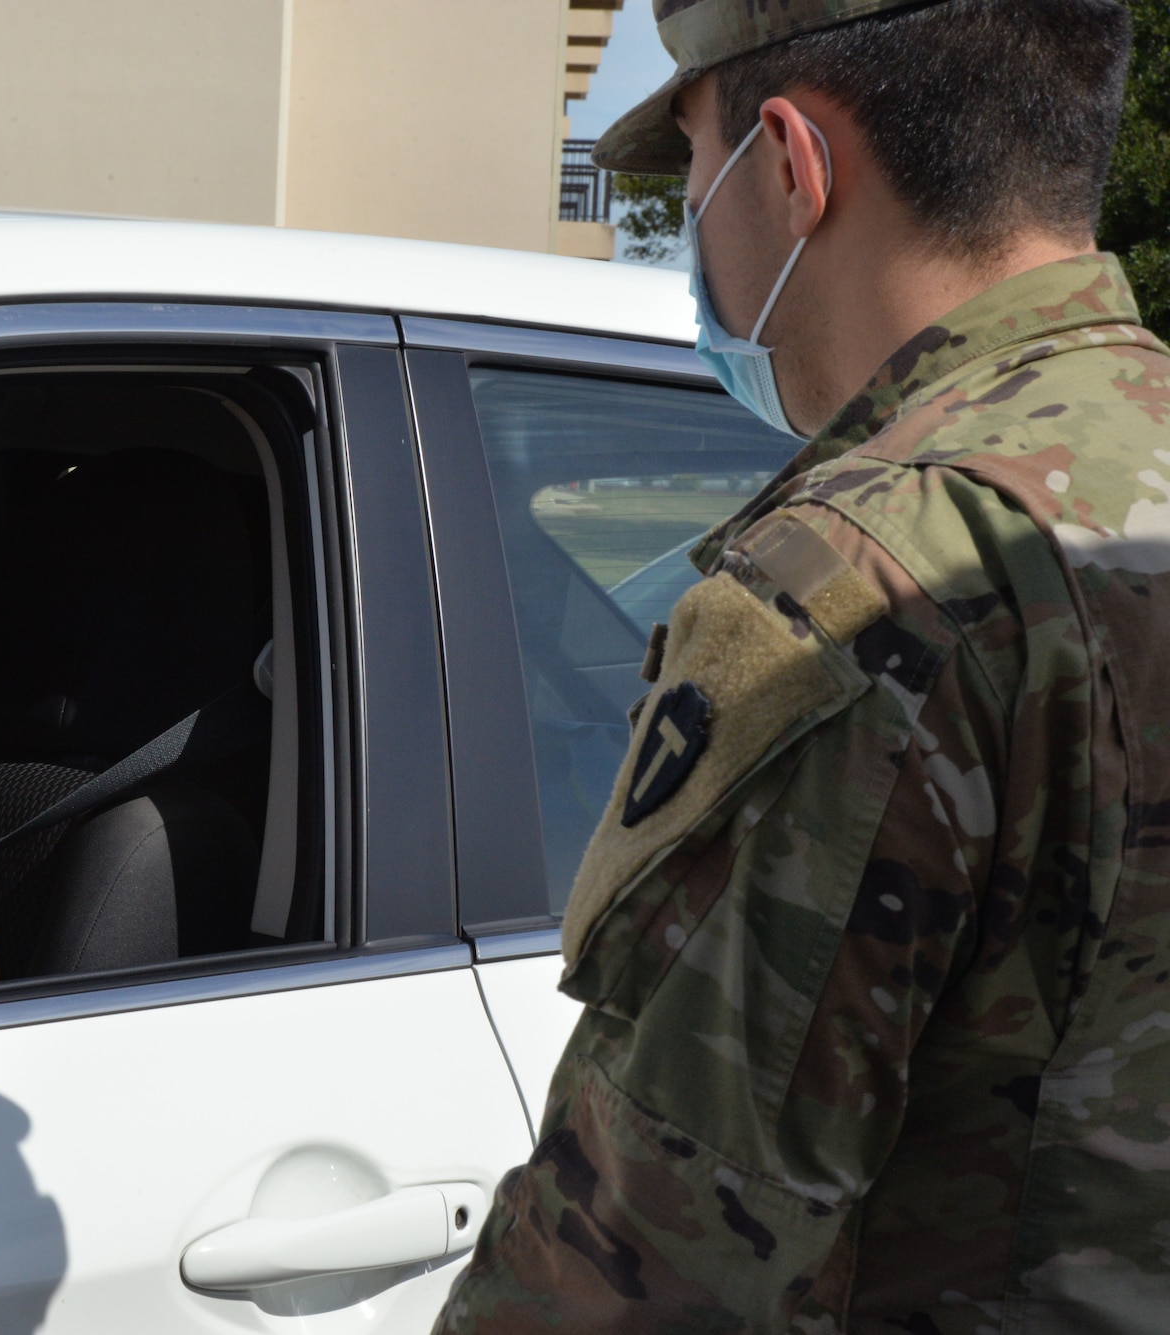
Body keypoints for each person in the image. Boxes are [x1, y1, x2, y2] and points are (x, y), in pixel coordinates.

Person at [438, 0, 1170, 1330]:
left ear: (788, 165)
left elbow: (645, 1267)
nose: (691, 232)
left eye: (694, 168)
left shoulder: (865, 589)